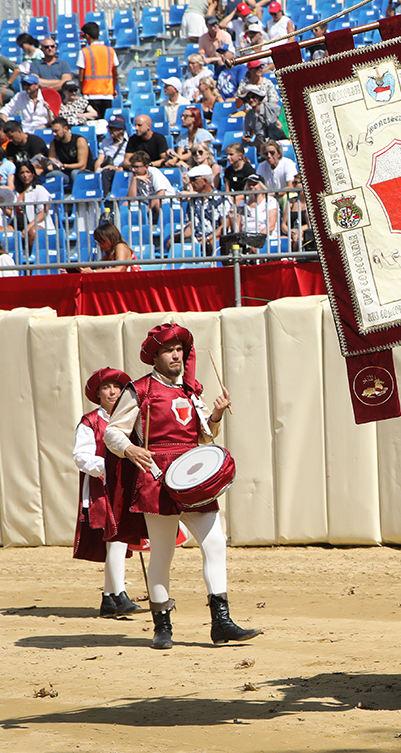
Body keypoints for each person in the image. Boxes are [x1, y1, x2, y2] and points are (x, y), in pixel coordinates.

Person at [104, 324, 259, 649]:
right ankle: (162, 627)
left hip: (192, 479)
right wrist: (130, 449)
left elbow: (205, 436)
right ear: (155, 356)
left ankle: (221, 622)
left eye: (179, 350)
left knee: (215, 543)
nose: (176, 355)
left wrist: (215, 414)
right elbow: (112, 432)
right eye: (168, 350)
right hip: (156, 479)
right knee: (162, 554)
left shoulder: (191, 390)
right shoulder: (139, 390)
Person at [174, 165, 230, 253]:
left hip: (214, 237)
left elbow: (225, 225)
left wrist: (208, 238)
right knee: (172, 242)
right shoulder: (193, 200)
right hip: (196, 237)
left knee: (213, 243)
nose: (191, 183)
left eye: (193, 180)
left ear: (204, 181)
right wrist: (183, 234)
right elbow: (190, 224)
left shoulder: (221, 198)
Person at [76, 21, 118, 118]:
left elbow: (81, 78)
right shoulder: (110, 51)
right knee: (105, 123)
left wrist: (82, 90)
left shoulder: (85, 52)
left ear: (87, 35)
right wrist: (113, 89)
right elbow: (115, 74)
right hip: (107, 94)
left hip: (90, 94)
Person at [126, 151, 179, 216]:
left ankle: (162, 225)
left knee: (158, 203)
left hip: (166, 199)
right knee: (125, 205)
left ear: (146, 167)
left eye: (136, 167)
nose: (133, 170)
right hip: (146, 201)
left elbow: (161, 193)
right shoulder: (133, 174)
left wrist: (148, 208)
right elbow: (131, 199)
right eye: (132, 167)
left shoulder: (154, 172)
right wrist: (134, 179)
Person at [16, 160, 55, 246]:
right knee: (2, 232)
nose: (25, 175)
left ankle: (31, 258)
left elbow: (44, 211)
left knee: (33, 231)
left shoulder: (39, 189)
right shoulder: (15, 193)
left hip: (37, 224)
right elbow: (12, 214)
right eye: (22, 173)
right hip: (18, 225)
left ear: (33, 174)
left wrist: (28, 227)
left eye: (28, 172)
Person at [48, 117, 93, 184]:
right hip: (67, 172)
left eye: (56, 131)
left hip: (84, 171)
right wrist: (47, 165)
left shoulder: (79, 140)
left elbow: (82, 165)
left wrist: (63, 166)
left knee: (74, 173)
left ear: (65, 129)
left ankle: (76, 193)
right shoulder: (54, 143)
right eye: (53, 131)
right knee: (51, 175)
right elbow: (52, 160)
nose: (54, 134)